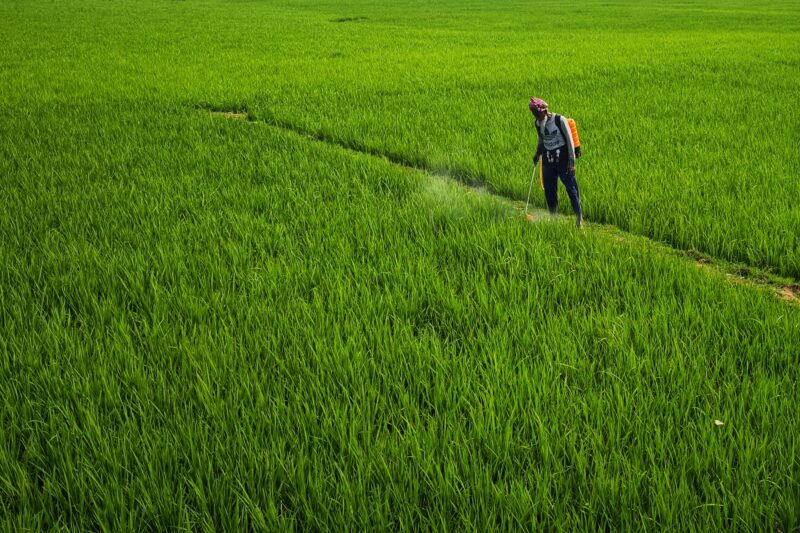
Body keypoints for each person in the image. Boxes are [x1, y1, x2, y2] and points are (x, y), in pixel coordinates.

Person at [529, 97, 583, 228]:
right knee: (549, 190)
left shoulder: (560, 120)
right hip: (548, 159)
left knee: (572, 190)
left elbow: (570, 142)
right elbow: (541, 140)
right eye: (534, 114)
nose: (536, 117)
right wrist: (537, 154)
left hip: (564, 159)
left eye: (537, 114)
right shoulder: (538, 123)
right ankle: (553, 217)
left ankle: (579, 219)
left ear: (544, 110)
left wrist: (571, 163)